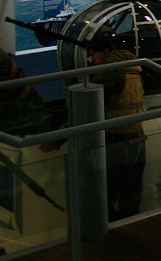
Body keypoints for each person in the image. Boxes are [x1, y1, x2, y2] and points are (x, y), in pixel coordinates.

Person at [43, 35, 148, 221]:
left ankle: (106, 231)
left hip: (114, 142)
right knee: (131, 192)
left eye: (94, 54)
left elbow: (87, 110)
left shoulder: (109, 73)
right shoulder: (134, 68)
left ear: (105, 52)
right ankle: (129, 228)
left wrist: (57, 138)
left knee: (103, 191)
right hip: (137, 139)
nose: (93, 59)